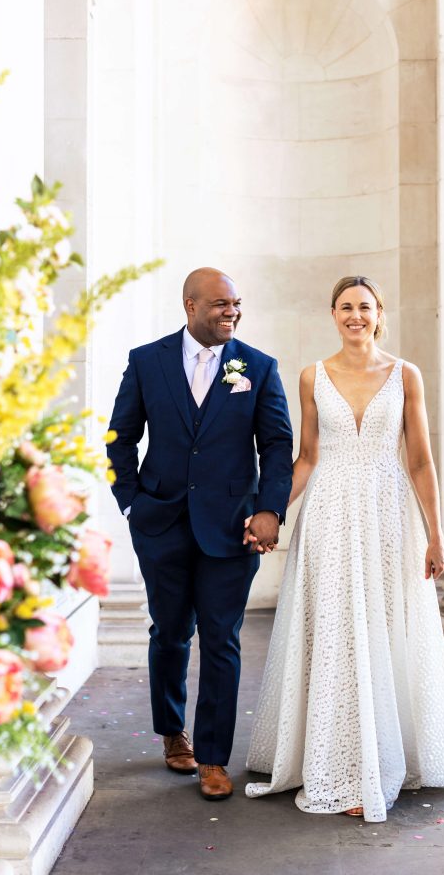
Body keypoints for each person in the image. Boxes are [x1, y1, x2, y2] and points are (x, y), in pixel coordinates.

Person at [244, 275, 444, 822]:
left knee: (381, 628)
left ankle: (382, 758)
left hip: (388, 514)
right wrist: (270, 512)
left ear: (380, 314)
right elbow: (306, 458)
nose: (355, 315)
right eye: (345, 307)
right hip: (327, 513)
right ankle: (334, 762)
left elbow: (420, 461)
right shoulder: (311, 376)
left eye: (365, 307)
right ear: (333, 314)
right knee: (335, 632)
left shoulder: (405, 375)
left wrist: (436, 536)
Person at [107, 268, 293, 801]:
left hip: (231, 529)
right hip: (160, 523)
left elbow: (277, 445)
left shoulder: (257, 367)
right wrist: (132, 504)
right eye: (219, 304)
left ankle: (214, 758)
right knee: (169, 632)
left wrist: (270, 510)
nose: (230, 312)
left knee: (221, 640)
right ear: (190, 306)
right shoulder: (148, 361)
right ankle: (172, 733)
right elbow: (120, 437)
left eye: (236, 303)